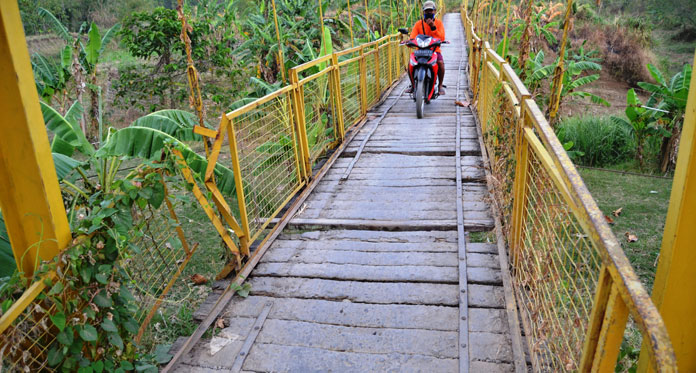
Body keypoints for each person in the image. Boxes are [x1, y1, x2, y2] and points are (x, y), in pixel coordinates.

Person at [407, 0, 446, 95]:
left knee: (440, 63)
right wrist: (410, 41)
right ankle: (413, 85)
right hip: (420, 50)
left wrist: (433, 27)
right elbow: (412, 37)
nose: (429, 13)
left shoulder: (439, 23)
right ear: (423, 12)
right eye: (426, 11)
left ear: (435, 11)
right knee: (410, 64)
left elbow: (441, 38)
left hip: (434, 50)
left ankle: (440, 85)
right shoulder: (418, 24)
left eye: (431, 11)